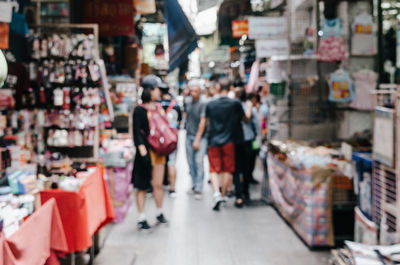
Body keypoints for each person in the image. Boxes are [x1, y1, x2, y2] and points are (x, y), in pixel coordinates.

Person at [193, 78, 252, 211]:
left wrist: (197, 139)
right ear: (230, 87)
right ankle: (223, 195)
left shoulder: (211, 104)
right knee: (227, 170)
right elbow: (246, 119)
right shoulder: (235, 104)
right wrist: (249, 107)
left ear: (219, 87)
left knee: (214, 169)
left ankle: (216, 193)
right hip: (229, 141)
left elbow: (204, 123)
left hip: (213, 140)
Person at [132, 75, 168, 230]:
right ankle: (141, 216)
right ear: (150, 90)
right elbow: (137, 133)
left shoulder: (160, 108)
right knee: (142, 185)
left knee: (158, 184)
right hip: (145, 153)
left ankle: (159, 212)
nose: (159, 92)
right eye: (156, 89)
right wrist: (143, 152)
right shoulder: (139, 110)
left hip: (159, 151)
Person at [184, 79, 208, 200]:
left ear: (200, 92)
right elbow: (186, 116)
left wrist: (197, 139)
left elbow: (203, 122)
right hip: (188, 135)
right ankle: (194, 184)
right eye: (191, 90)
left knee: (199, 162)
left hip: (201, 137)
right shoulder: (187, 101)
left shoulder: (203, 103)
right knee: (190, 162)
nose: (193, 93)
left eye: (195, 91)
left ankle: (199, 186)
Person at [159, 82, 182, 198]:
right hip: (172, 137)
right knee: (172, 163)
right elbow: (179, 123)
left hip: (160, 138)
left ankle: (159, 185)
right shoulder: (176, 105)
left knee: (160, 162)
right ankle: (172, 189)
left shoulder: (157, 105)